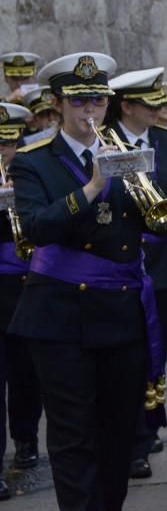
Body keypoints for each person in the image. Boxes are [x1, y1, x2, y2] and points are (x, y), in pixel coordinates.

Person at [9, 52, 166, 510]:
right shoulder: (33, 161)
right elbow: (37, 227)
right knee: (72, 435)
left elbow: (153, 224)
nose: (90, 112)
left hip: (119, 313)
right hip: (59, 316)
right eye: (79, 102)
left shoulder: (125, 153)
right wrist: (93, 187)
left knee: (118, 431)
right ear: (57, 103)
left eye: (98, 101)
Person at [104, 66, 167, 478]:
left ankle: (149, 422)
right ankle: (134, 438)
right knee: (131, 354)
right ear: (127, 106)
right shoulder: (107, 146)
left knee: (160, 347)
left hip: (164, 265)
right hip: (121, 267)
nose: (159, 112)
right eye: (149, 105)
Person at [0, 103, 43, 492]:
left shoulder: (30, 173)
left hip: (25, 284)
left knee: (26, 371)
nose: (3, 152)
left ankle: (26, 440)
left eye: (8, 143)